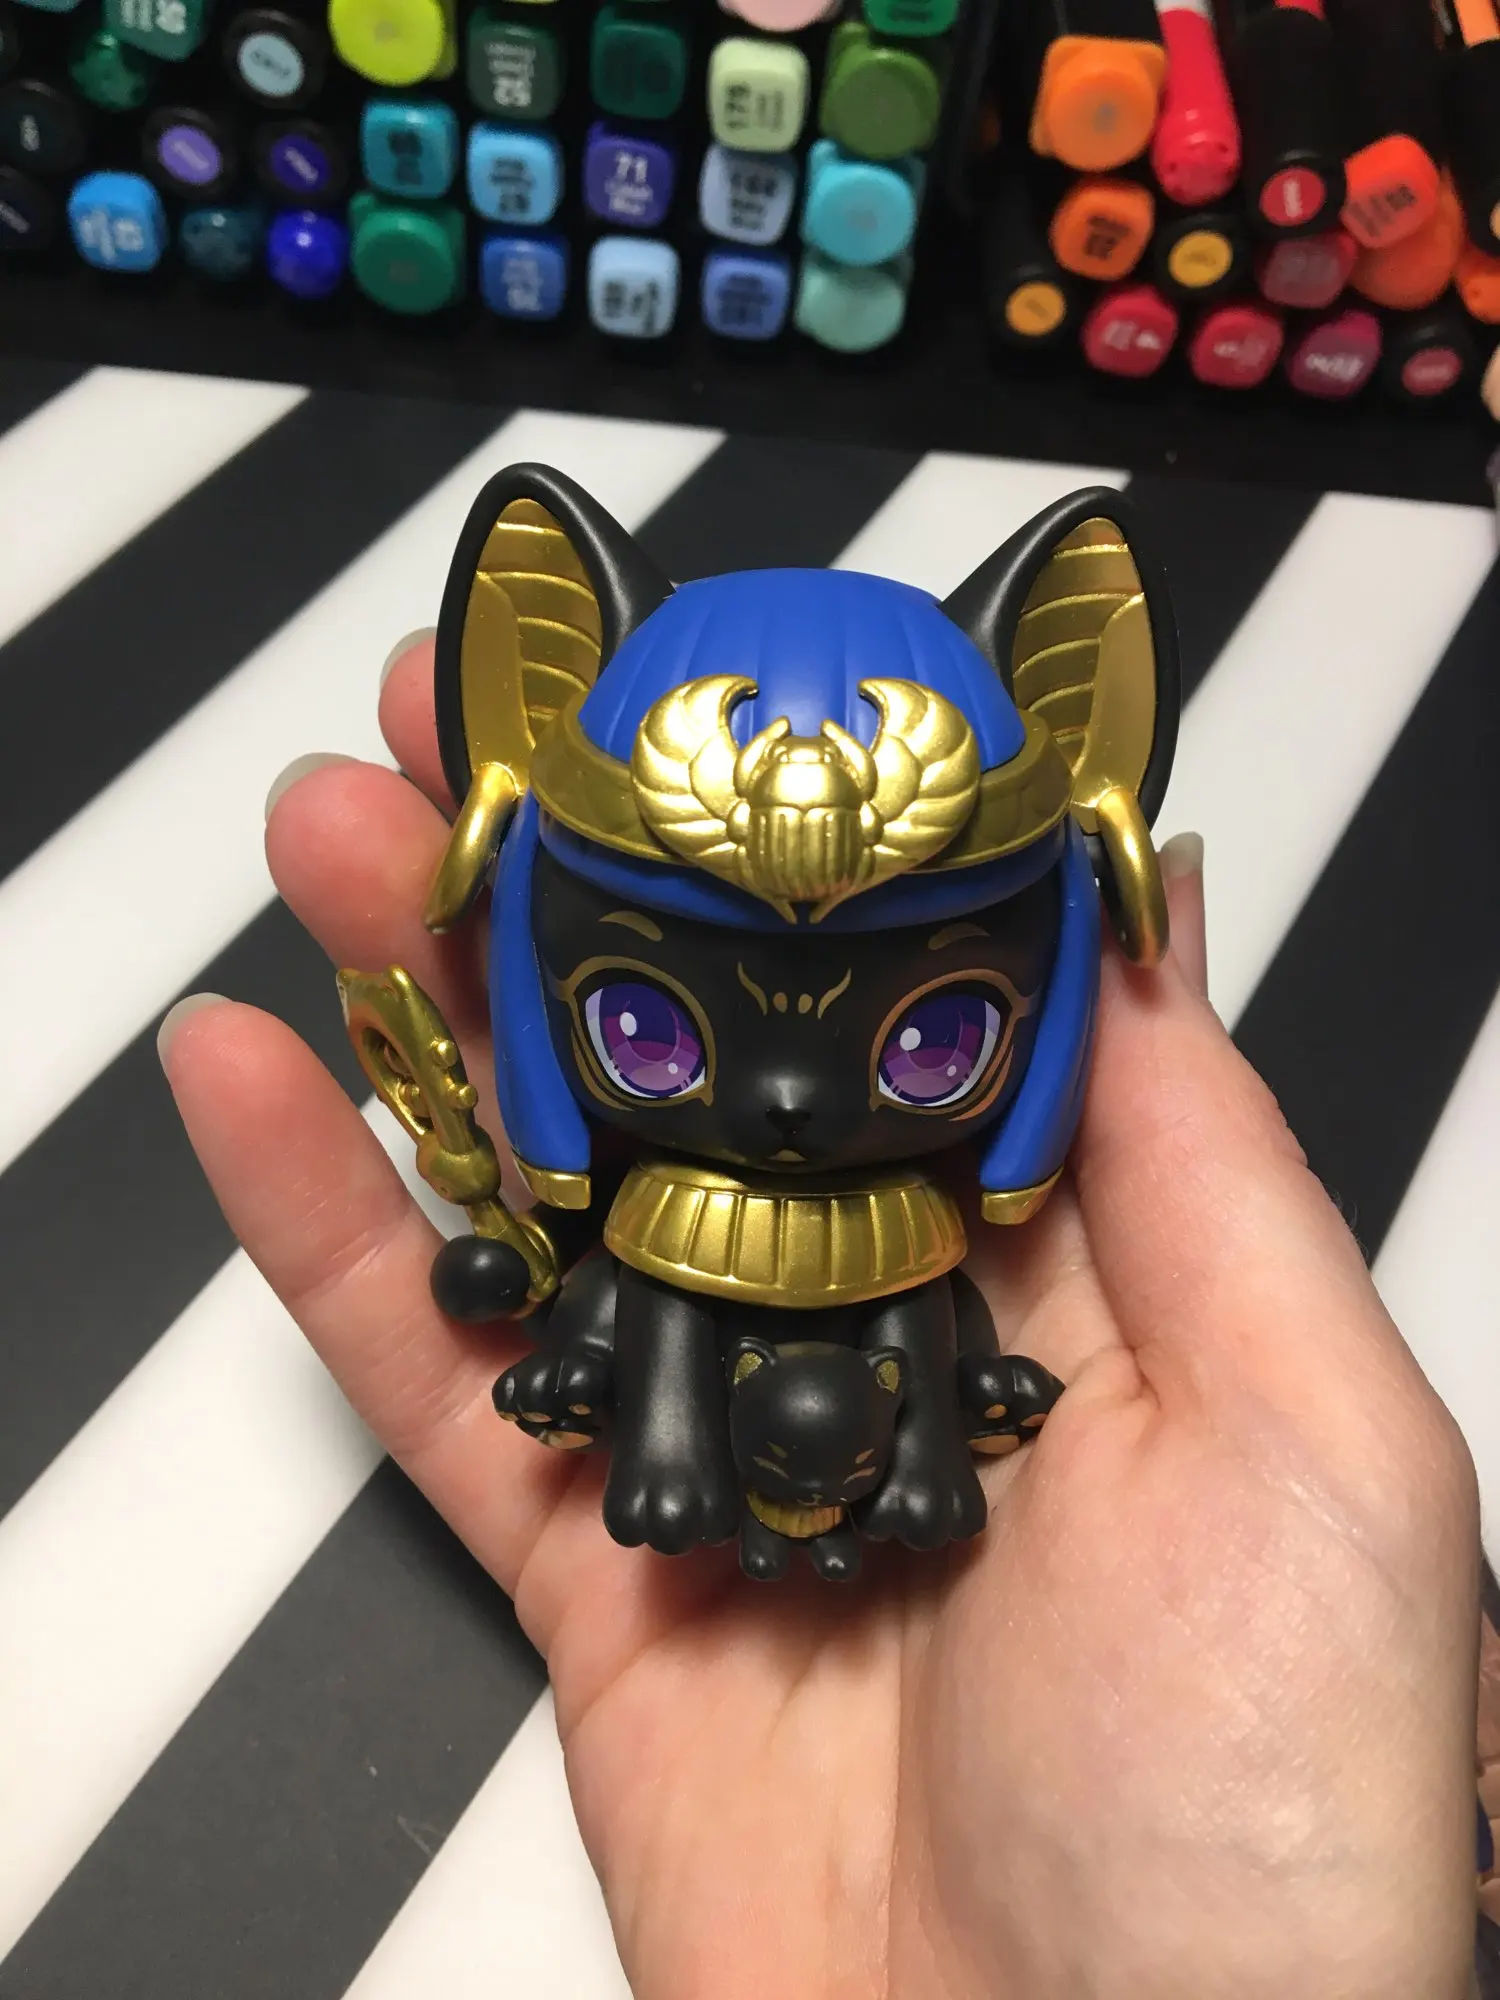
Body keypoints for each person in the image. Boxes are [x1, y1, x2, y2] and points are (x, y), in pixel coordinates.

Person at [160, 632, 1483, 1999]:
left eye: (933, 1040)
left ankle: (892, 1442)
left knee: (922, 1315)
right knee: (655, 1308)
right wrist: (645, 1414)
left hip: (889, 1276)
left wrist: (929, 1448)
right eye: (647, 1030)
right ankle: (692, 1420)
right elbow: (666, 1315)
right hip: (681, 1246)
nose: (790, 1104)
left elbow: (925, 1321)